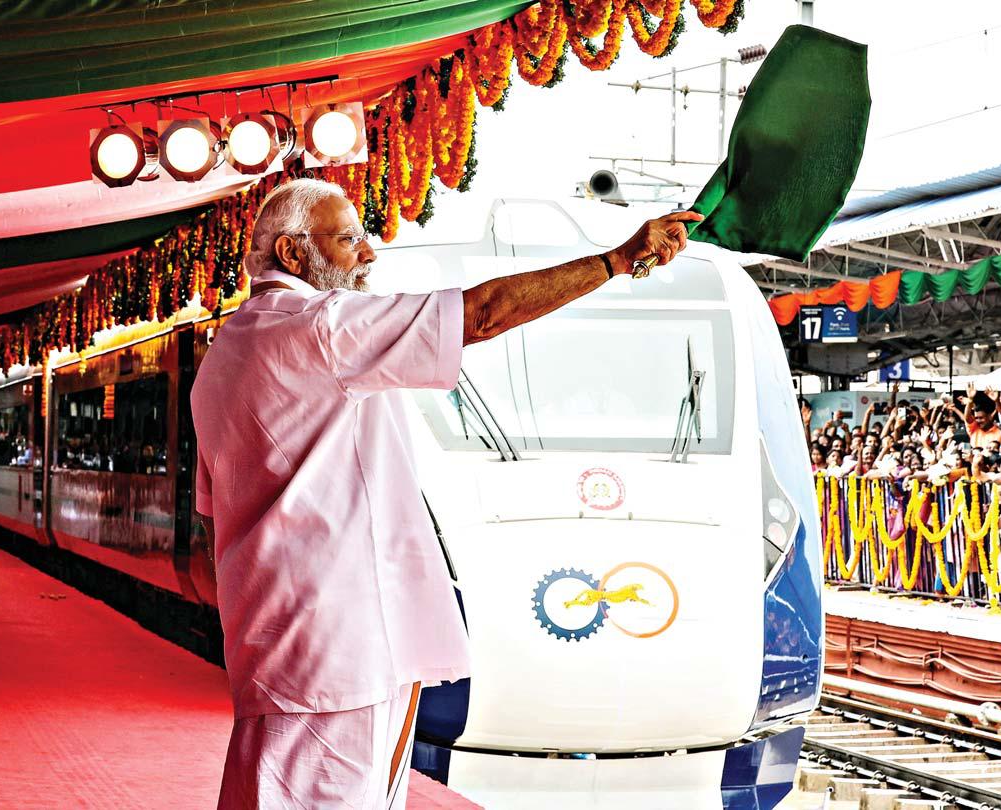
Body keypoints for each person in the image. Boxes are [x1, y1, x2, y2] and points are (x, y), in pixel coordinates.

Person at [190, 178, 701, 809]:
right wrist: (615, 261)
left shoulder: (222, 356)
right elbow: (482, 313)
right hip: (340, 644)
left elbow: (215, 511)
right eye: (350, 239)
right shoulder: (320, 325)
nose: (368, 255)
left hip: (276, 632)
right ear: (294, 255)